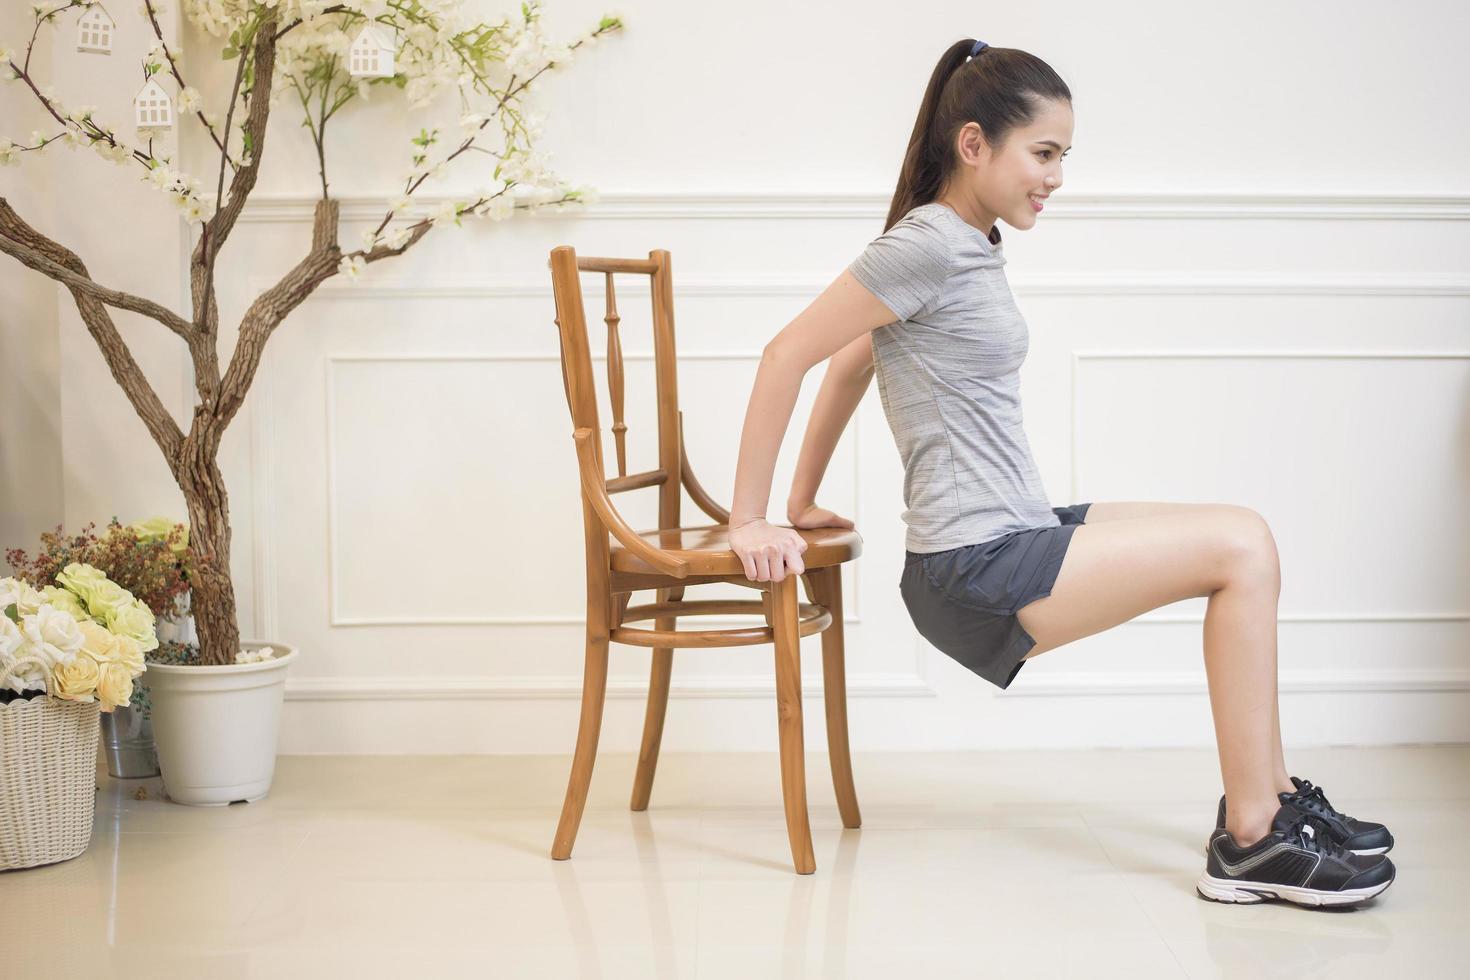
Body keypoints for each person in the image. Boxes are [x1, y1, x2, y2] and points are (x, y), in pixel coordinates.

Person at [725, 38, 1395, 908]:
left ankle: (1268, 803)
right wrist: (754, 516)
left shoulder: (966, 242)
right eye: (1044, 153)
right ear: (974, 145)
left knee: (1245, 536)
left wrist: (803, 497)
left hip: (1012, 532)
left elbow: (855, 362)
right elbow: (789, 354)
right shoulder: (927, 242)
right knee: (1240, 547)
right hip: (973, 567)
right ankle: (1254, 838)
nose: (1057, 176)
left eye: (1062, 157)